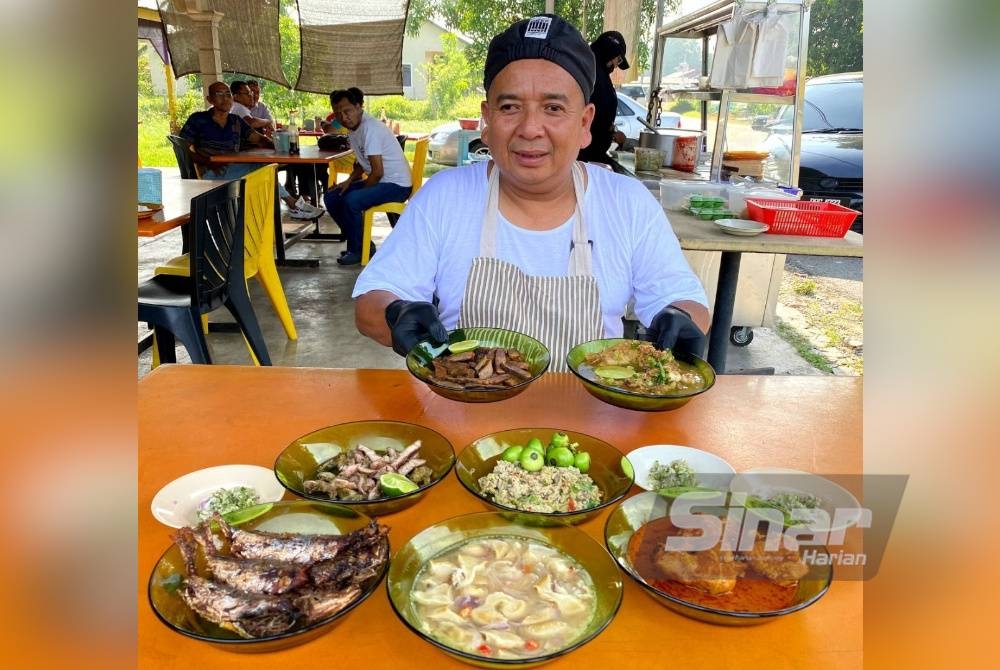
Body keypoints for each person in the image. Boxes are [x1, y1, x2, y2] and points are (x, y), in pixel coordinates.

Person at [352, 14, 709, 368]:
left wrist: (678, 318)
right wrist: (396, 313)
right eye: (510, 107)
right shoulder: (444, 198)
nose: (530, 128)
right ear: (487, 120)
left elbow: (683, 300)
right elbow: (371, 304)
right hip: (466, 415)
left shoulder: (627, 204)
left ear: (585, 124)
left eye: (553, 108)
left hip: (589, 420)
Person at [179, 81, 324, 219]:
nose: (225, 99)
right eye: (219, 94)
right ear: (210, 99)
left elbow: (258, 138)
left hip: (231, 169)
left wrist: (279, 145)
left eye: (228, 94)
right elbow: (184, 147)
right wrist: (208, 163)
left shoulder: (235, 121)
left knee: (265, 169)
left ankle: (287, 207)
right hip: (209, 173)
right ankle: (293, 205)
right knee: (262, 170)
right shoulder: (198, 119)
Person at [323, 88, 412, 266]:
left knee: (352, 201)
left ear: (358, 107)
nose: (343, 117)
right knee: (332, 197)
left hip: (397, 185)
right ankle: (363, 244)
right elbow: (361, 163)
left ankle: (357, 250)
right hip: (382, 181)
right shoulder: (354, 129)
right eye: (337, 113)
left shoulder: (370, 128)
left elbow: (377, 171)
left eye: (346, 110)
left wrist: (358, 193)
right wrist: (348, 182)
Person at [578, 30, 629, 171]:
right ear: (610, 51)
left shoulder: (597, 71)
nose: (616, 66)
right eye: (617, 60)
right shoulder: (590, 72)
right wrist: (608, 131)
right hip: (584, 155)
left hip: (591, 153)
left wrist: (609, 132)